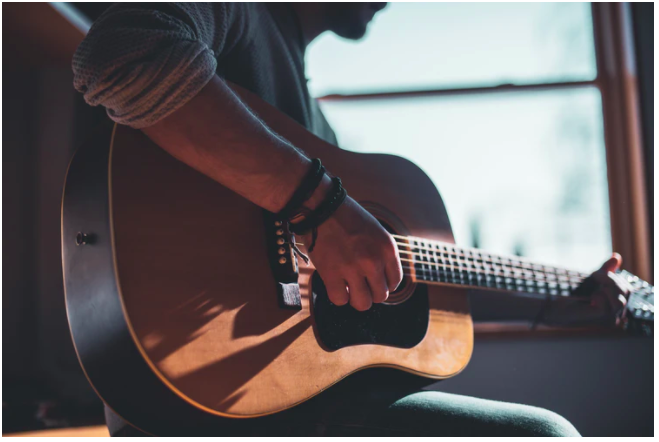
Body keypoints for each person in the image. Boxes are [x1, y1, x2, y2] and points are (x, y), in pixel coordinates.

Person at [73, 3, 630, 437]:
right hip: (207, 405)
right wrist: (320, 209)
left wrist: (567, 292)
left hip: (294, 395)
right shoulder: (238, 9)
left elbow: (413, 282)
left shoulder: (317, 128)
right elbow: (123, 51)